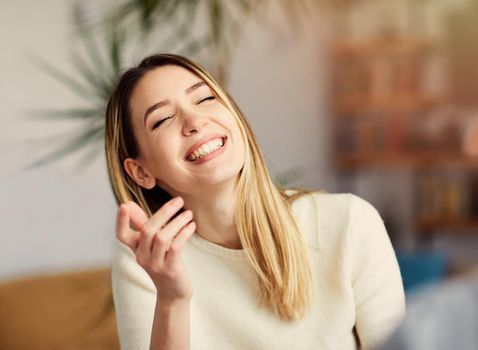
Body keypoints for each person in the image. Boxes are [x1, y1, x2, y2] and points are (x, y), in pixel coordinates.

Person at [105, 53, 405, 350]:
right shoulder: (145, 261)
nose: (194, 120)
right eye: (163, 119)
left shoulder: (349, 223)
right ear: (141, 172)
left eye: (205, 99)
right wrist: (171, 298)